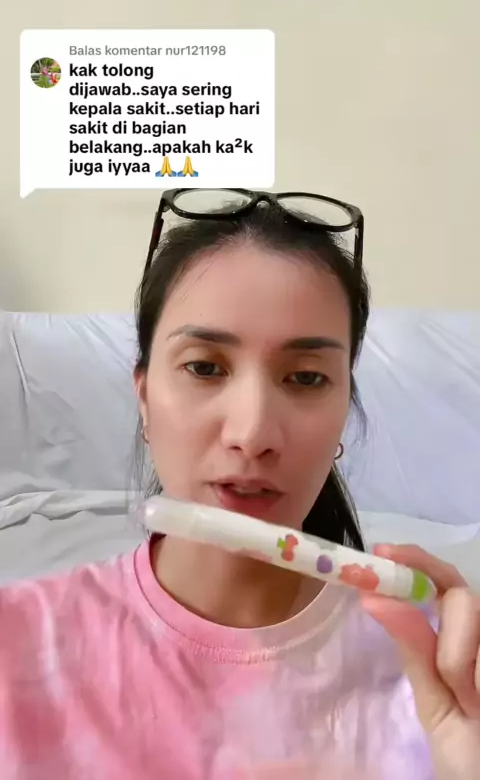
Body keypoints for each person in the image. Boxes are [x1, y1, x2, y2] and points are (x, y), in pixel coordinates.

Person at [0, 189, 478, 779]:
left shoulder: (438, 666)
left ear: (344, 416)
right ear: (144, 397)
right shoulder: (17, 646)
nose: (253, 434)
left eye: (306, 378)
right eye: (204, 367)